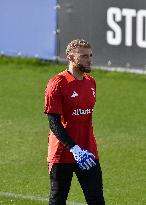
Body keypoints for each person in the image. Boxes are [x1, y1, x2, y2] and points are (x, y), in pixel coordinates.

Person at [44, 39, 105, 205]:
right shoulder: (57, 84)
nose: (89, 59)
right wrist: (74, 149)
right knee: (57, 200)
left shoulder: (91, 82)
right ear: (70, 57)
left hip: (88, 152)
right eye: (84, 56)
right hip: (62, 154)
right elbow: (54, 123)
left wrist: (82, 150)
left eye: (90, 55)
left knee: (96, 200)